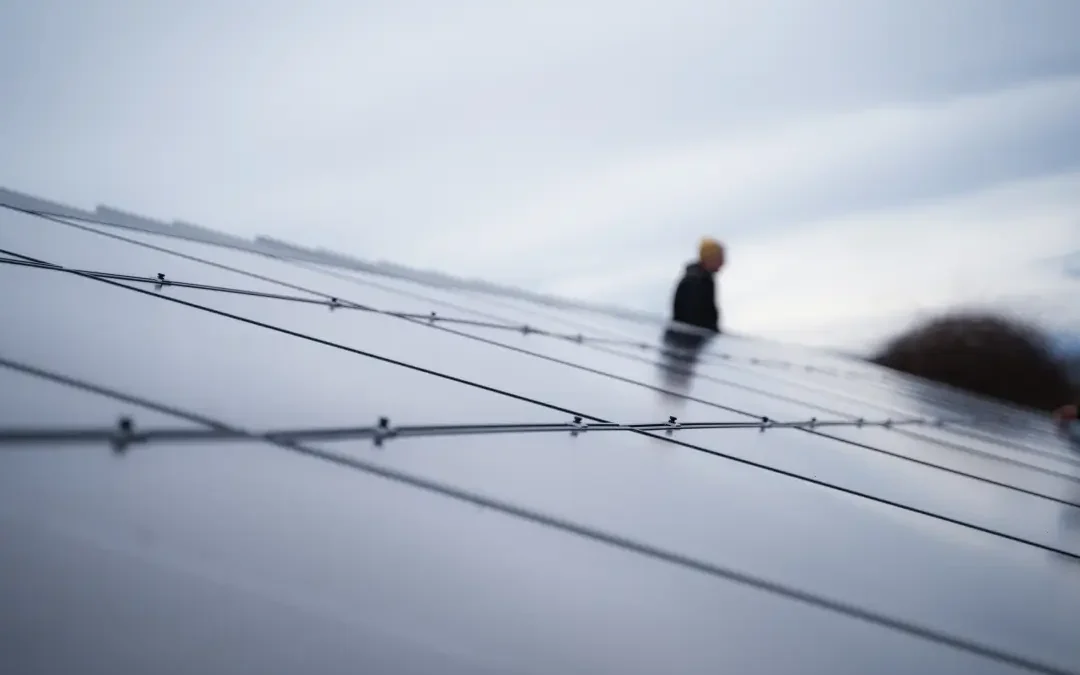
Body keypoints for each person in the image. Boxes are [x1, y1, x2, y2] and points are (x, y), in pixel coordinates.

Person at [669, 237, 725, 334]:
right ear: (710, 258)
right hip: (686, 342)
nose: (723, 263)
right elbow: (693, 321)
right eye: (719, 258)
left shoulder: (705, 280)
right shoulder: (694, 282)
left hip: (691, 340)